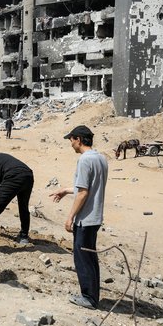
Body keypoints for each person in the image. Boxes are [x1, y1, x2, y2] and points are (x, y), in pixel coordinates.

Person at [49, 125, 108, 310]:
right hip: (95, 217)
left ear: (79, 140)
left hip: (85, 218)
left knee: (82, 258)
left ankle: (89, 298)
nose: (71, 144)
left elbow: (83, 193)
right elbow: (86, 187)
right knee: (90, 257)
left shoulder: (84, 160)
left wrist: (70, 217)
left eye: (71, 140)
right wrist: (66, 190)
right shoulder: (101, 158)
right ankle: (93, 295)